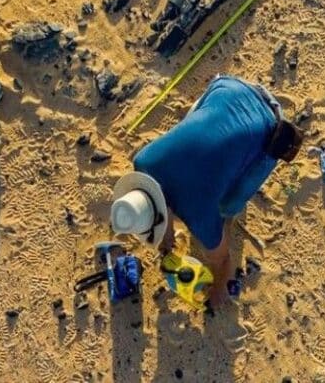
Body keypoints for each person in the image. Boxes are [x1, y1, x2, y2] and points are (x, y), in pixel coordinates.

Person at [109, 75, 303, 308]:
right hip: (227, 89)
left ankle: (229, 214)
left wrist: (219, 288)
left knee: (228, 207)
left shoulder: (198, 214)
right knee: (195, 125)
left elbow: (222, 260)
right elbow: (166, 200)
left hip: (270, 125)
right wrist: (165, 228)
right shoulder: (142, 162)